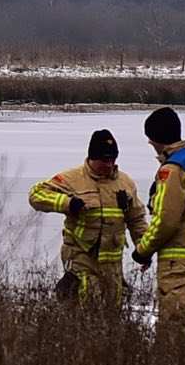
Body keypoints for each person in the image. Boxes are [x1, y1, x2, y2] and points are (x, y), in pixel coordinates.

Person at [27, 128, 146, 306]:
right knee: (86, 307)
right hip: (81, 259)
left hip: (113, 265)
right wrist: (67, 203)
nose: (109, 164)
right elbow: (36, 195)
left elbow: (136, 220)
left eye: (113, 159)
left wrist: (144, 250)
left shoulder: (125, 183)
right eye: (104, 160)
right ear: (92, 157)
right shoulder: (72, 179)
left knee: (112, 313)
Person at [131, 107, 185, 334]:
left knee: (172, 335)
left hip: (178, 263)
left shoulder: (173, 169)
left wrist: (142, 250)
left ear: (157, 139)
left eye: (151, 140)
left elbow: (166, 219)